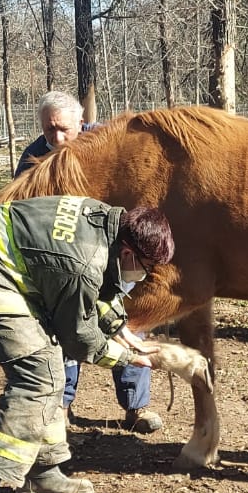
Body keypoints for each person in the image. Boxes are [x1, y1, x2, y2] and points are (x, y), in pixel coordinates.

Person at [0, 195, 174, 493]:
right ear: (128, 253)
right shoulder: (83, 262)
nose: (145, 275)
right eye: (146, 268)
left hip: (3, 266)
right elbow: (79, 337)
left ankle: (41, 473)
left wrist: (120, 327)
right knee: (37, 376)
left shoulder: (109, 224)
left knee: (50, 369)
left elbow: (96, 288)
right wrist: (127, 357)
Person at [13, 91, 164, 434]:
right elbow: (21, 208)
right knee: (64, 327)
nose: (56, 138)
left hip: (114, 254)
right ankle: (62, 406)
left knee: (129, 322)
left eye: (63, 129)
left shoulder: (111, 145)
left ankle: (136, 407)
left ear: (81, 122)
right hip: (64, 260)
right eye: (49, 130)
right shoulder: (35, 156)